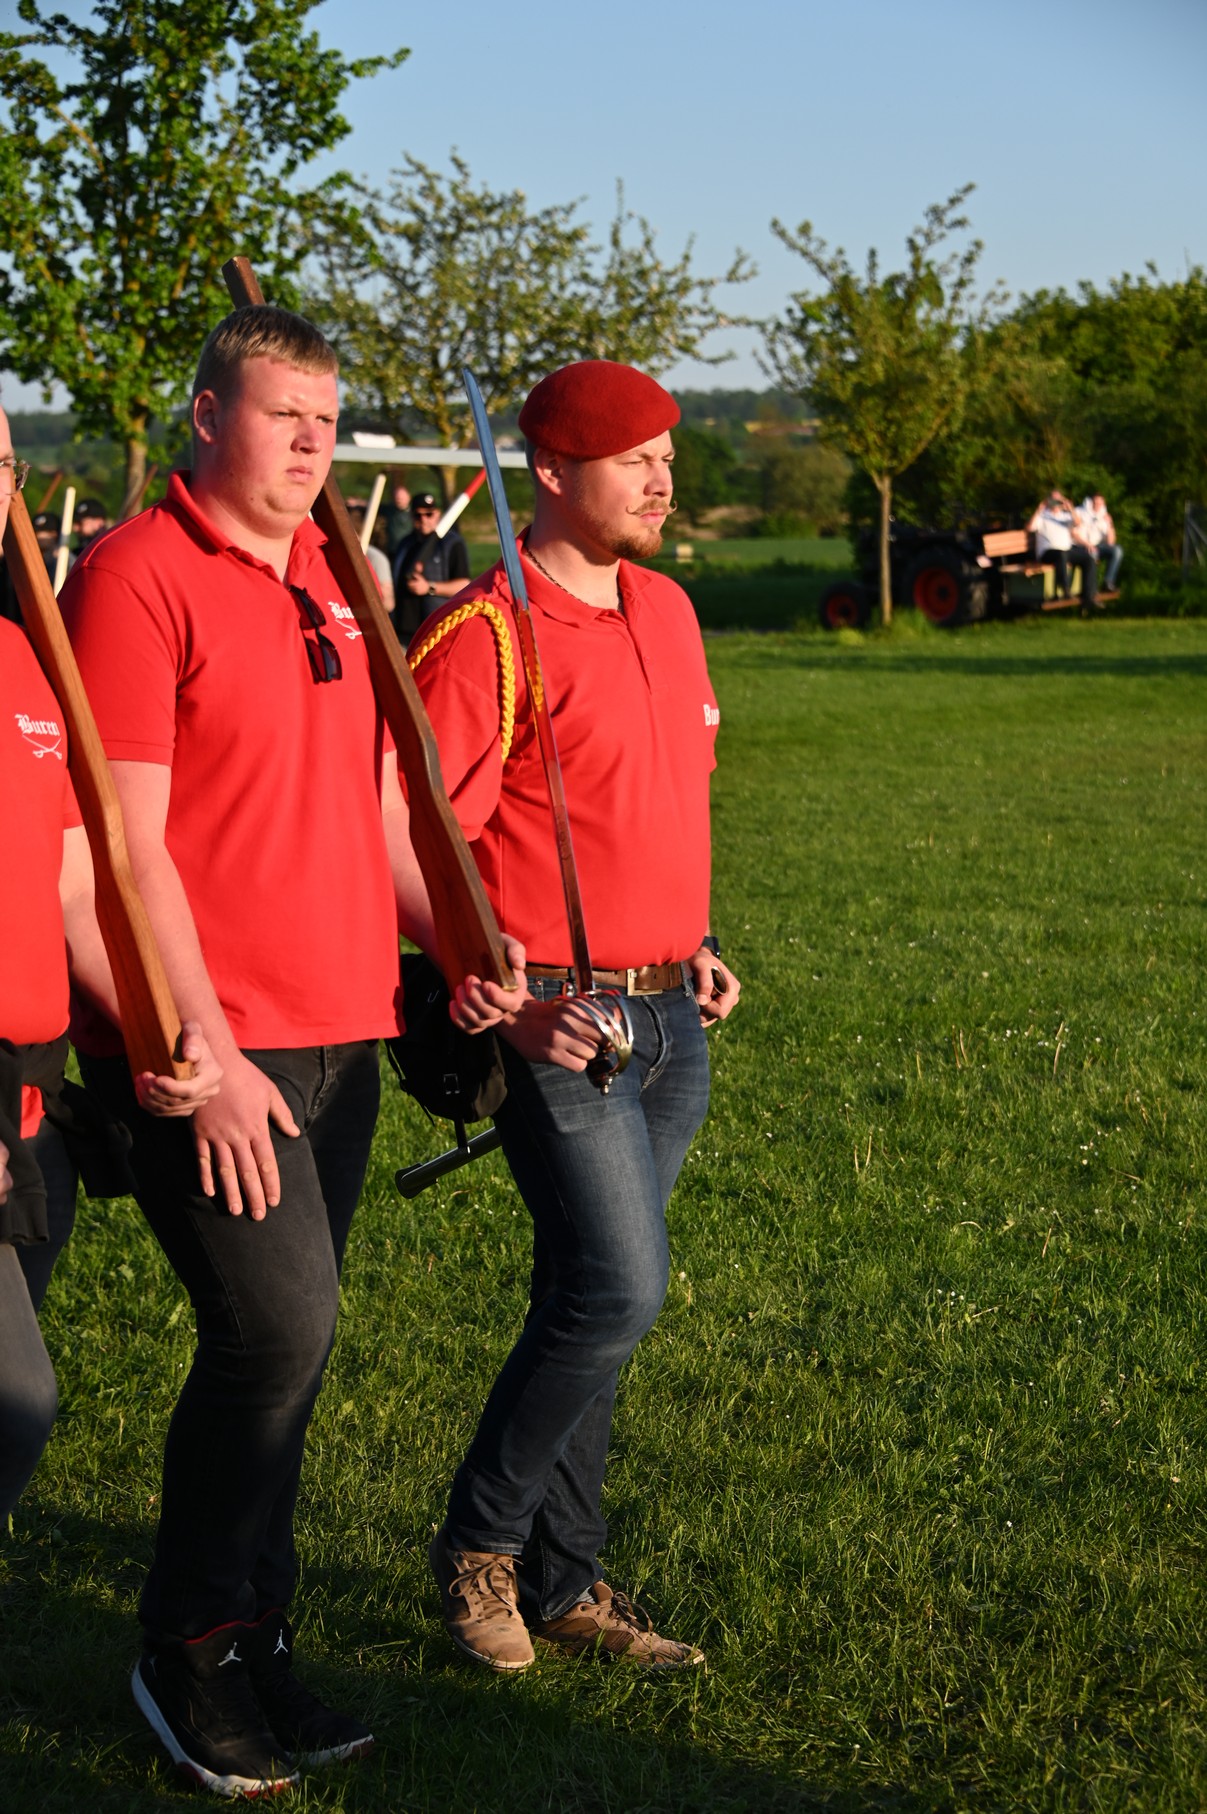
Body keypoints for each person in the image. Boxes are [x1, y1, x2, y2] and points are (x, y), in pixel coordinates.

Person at [60, 307, 522, 1797]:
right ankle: (186, 1645)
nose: (313, 442)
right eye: (283, 414)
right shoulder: (134, 575)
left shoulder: (335, 574)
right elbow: (123, 842)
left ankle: (259, 1633)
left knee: (294, 1352)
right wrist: (201, 1038)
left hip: (344, 1029)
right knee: (273, 1334)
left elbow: (381, 812)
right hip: (213, 1050)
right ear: (207, 417)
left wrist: (461, 934)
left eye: (327, 418)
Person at [411, 359, 741, 1674]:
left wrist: (693, 940)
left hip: (672, 1017)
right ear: (550, 471)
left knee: (592, 1298)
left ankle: (565, 1582)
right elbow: (418, 840)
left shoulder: (667, 606)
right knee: (615, 1285)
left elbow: (655, 797)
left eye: (666, 452)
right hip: (560, 1021)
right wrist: (501, 999)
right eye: (631, 458)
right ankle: (478, 1548)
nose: (662, 478)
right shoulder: (486, 632)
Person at [0, 402, 220, 1528]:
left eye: (1, 461)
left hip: (31, 1099)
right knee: (15, 1400)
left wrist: (164, 1027)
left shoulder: (25, 663)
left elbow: (78, 892)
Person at [391, 492, 470, 643]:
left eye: (429, 514)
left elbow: (463, 585)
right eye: (418, 515)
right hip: (402, 631)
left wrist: (429, 587)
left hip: (436, 629)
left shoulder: (452, 544)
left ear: (437, 514)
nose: (424, 520)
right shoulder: (404, 544)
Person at [1027, 489, 1098, 608]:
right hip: (1047, 552)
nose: (1056, 503)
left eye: (1059, 500)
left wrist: (1070, 508)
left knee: (1088, 559)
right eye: (1053, 500)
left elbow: (1078, 523)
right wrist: (1039, 509)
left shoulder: (1065, 516)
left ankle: (1089, 596)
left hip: (1065, 551)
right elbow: (1030, 528)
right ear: (1048, 501)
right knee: (1062, 554)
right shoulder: (1042, 516)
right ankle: (1065, 590)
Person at [1078, 492, 1123, 590]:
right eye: (1095, 503)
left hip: (1098, 547)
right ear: (1090, 502)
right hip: (1082, 546)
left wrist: (1110, 524)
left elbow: (1110, 542)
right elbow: (1074, 534)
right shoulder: (1080, 512)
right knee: (1092, 553)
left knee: (1117, 550)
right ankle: (1091, 589)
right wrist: (1087, 544)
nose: (1097, 505)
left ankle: (1108, 582)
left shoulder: (1103, 516)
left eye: (1100, 503)